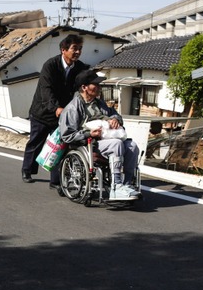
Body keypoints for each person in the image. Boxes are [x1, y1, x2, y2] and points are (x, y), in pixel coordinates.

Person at [59, 69, 141, 201]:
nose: (99, 87)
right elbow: (67, 135)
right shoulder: (72, 108)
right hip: (88, 143)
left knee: (132, 146)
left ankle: (127, 183)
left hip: (106, 139)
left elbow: (114, 113)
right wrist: (88, 133)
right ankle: (116, 186)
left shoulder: (99, 103)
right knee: (117, 144)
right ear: (84, 87)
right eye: (95, 85)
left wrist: (115, 119)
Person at [21, 34, 88, 192]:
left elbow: (86, 82)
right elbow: (46, 91)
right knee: (36, 142)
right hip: (43, 111)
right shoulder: (50, 65)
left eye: (80, 49)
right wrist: (56, 108)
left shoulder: (80, 67)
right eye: (74, 48)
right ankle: (27, 170)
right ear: (63, 50)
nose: (78, 52)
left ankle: (56, 181)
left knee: (60, 146)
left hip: (63, 114)